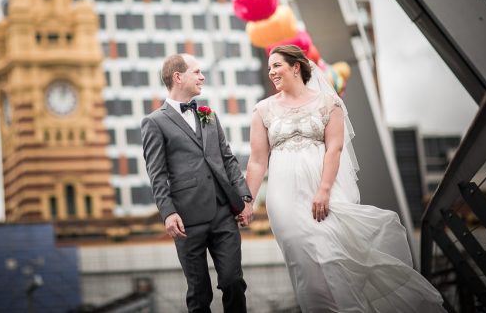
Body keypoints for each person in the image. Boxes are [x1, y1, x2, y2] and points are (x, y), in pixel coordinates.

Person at [238, 45, 444, 312]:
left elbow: (334, 149)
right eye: (269, 68)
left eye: (276, 65)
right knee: (303, 267)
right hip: (283, 199)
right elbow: (256, 161)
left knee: (333, 257)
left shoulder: (329, 104)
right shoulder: (262, 110)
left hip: (323, 192)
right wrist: (247, 200)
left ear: (296, 66)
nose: (271, 72)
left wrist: (324, 190)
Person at [141, 53, 252, 313]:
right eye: (197, 71)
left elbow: (228, 160)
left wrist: (245, 198)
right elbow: (156, 174)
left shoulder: (208, 115)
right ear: (178, 77)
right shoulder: (154, 122)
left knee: (233, 281)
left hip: (224, 212)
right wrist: (168, 213)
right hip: (186, 219)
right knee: (199, 292)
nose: (202, 76)